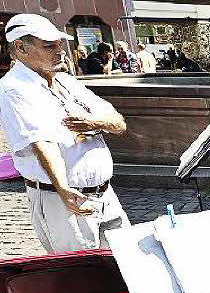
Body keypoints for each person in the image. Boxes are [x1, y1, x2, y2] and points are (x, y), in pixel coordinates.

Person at [0, 15, 131, 254]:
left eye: (60, 44)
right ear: (20, 47)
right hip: (63, 200)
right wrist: (63, 190)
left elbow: (119, 123)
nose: (60, 51)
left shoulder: (65, 81)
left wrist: (95, 122)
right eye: (49, 46)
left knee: (127, 264)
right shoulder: (14, 88)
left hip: (105, 194)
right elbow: (42, 143)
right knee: (85, 276)